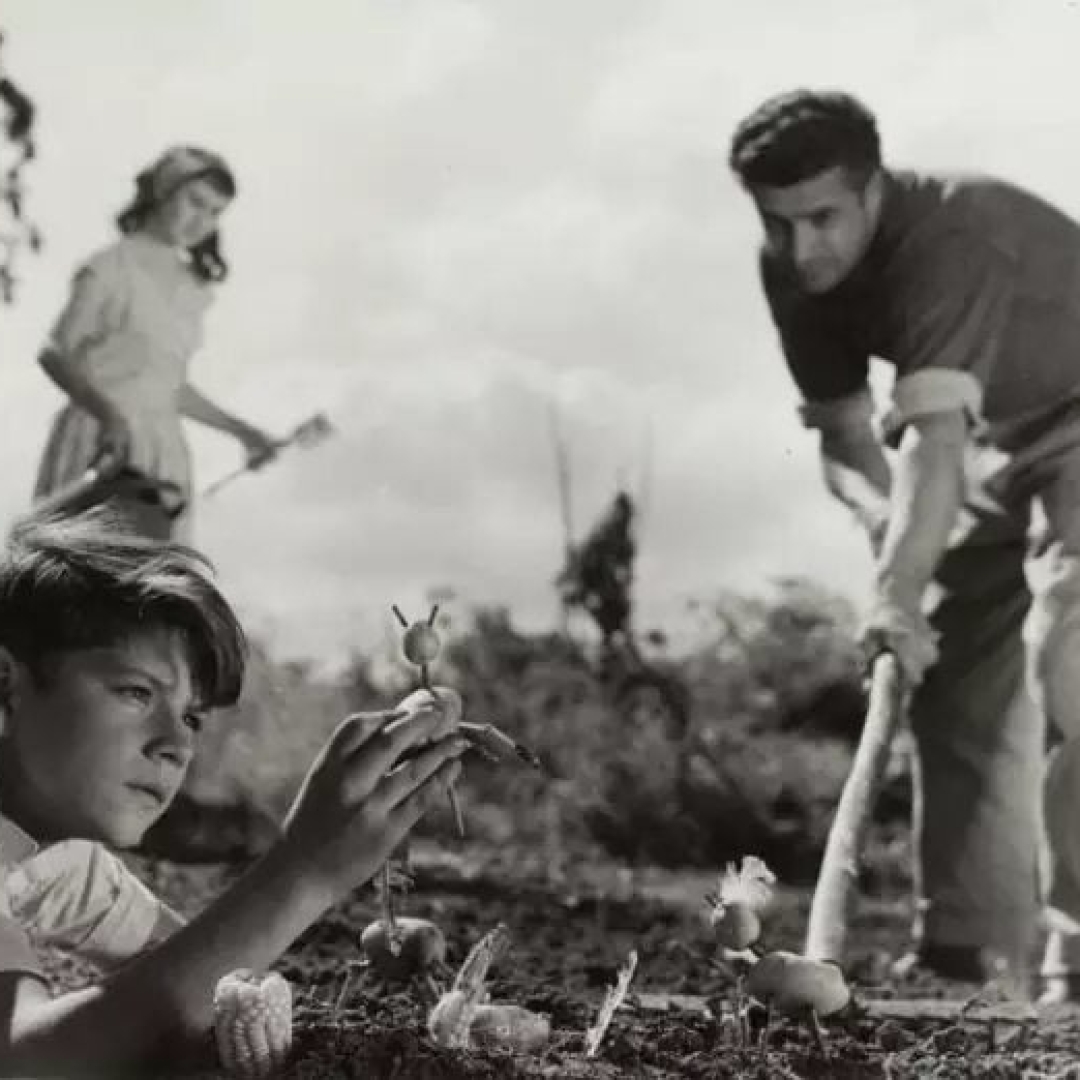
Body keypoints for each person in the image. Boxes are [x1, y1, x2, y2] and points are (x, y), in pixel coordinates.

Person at [729, 88, 1080, 1000]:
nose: (805, 249)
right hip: (999, 439)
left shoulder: (948, 236)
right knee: (953, 677)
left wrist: (894, 585)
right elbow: (848, 441)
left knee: (1070, 653)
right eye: (779, 224)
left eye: (822, 218)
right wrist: (894, 549)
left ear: (875, 187)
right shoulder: (792, 271)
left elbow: (932, 442)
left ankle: (1075, 964)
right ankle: (968, 956)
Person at [0, 508, 466, 1074]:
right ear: (6, 686)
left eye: (192, 718)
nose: (176, 743)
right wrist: (305, 872)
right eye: (137, 692)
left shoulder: (55, 863)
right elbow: (27, 1063)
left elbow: (187, 963)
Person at [33, 145, 279, 541]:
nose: (203, 220)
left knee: (158, 586)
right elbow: (54, 351)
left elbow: (168, 386)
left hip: (162, 451)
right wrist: (108, 414)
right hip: (101, 441)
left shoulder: (190, 286)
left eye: (216, 212)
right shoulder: (111, 265)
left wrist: (243, 432)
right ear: (162, 192)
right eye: (195, 202)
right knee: (85, 578)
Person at [557, 490, 636, 652]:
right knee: (605, 615)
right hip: (591, 587)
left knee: (617, 616)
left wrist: (623, 580)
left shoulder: (625, 543)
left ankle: (611, 650)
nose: (622, 518)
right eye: (619, 513)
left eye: (625, 515)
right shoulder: (601, 535)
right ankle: (601, 650)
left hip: (608, 593)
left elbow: (624, 571)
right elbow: (585, 561)